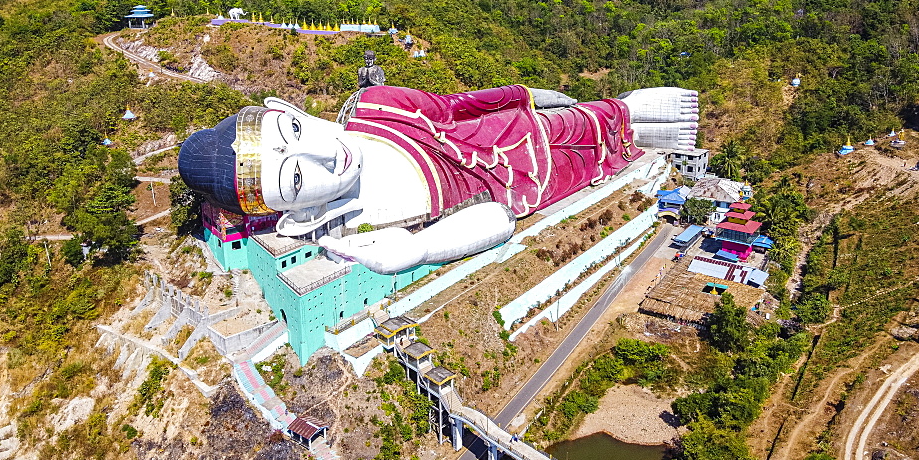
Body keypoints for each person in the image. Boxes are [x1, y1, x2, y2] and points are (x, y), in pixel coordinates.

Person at [178, 84, 699, 274]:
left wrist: (540, 101)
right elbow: (500, 217)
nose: (323, 151)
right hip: (538, 184)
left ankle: (627, 110)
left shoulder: (377, 107)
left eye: (295, 128)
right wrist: (423, 249)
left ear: (286, 106)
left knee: (616, 118)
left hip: (532, 126)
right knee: (615, 150)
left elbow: (460, 107)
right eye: (295, 177)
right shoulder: (359, 226)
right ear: (291, 216)